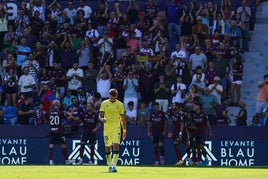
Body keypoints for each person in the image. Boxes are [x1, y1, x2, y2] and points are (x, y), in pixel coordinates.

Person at [99, 89, 127, 173]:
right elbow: (100, 115)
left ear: (116, 96)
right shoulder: (104, 103)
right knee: (107, 148)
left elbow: (122, 118)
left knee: (116, 146)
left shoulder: (120, 104)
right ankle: (109, 163)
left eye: (114, 98)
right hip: (107, 129)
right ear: (109, 96)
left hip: (116, 128)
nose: (112, 99)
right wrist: (101, 119)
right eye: (111, 97)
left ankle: (113, 166)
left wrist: (124, 130)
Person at [48, 100, 75, 165]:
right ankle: (67, 160)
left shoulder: (50, 112)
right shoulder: (60, 112)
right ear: (58, 105)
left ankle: (51, 161)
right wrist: (72, 112)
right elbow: (68, 119)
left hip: (52, 130)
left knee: (51, 145)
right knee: (63, 145)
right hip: (59, 131)